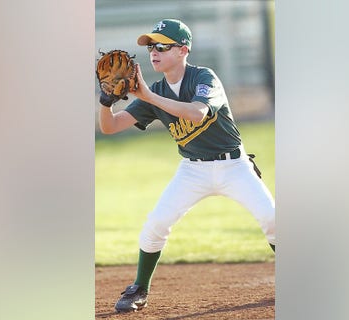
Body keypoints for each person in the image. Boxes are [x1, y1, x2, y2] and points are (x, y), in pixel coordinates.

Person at [98, 18, 275, 313]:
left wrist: (149, 97)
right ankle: (139, 288)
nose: (154, 51)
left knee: (272, 220)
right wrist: (105, 102)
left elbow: (197, 112)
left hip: (234, 166)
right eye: (151, 46)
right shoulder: (152, 91)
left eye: (162, 46)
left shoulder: (204, 77)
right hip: (192, 170)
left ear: (183, 50)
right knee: (156, 224)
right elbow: (111, 127)